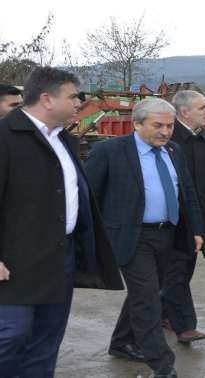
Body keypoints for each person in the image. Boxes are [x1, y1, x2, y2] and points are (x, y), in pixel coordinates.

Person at [0, 66, 124, 377]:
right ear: (46, 99)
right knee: (11, 334)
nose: (78, 104)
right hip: (14, 261)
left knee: (47, 338)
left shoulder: (65, 141)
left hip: (60, 256)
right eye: (73, 97)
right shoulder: (5, 138)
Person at [86, 98, 205, 378]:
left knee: (148, 293)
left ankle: (121, 342)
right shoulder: (110, 151)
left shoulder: (174, 150)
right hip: (132, 236)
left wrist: (197, 230)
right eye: (158, 125)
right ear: (137, 124)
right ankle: (162, 364)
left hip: (168, 234)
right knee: (149, 299)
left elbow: (187, 193)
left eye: (170, 125)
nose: (165, 131)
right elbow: (88, 196)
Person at [162, 90, 205, 343]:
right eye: (202, 107)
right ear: (184, 112)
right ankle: (184, 325)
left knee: (184, 271)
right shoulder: (168, 138)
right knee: (177, 272)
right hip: (174, 220)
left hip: (199, 217)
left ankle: (164, 313)